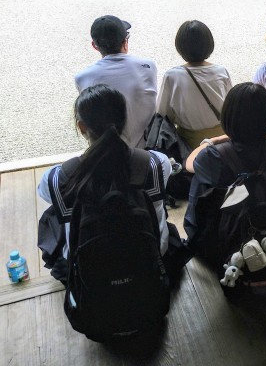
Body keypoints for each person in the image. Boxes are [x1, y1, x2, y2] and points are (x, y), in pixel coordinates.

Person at [37, 85, 179, 283]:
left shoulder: (57, 177)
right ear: (124, 120)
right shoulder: (156, 163)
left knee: (54, 213)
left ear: (81, 127)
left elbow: (44, 193)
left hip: (91, 274)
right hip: (150, 261)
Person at [183, 83, 266, 240]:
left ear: (227, 117)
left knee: (199, 181)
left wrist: (215, 140)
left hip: (230, 236)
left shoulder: (212, 156)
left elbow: (189, 164)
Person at [75, 15, 157, 148]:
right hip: (148, 148)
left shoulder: (82, 77)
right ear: (125, 41)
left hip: (108, 151)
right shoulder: (148, 67)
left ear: (95, 46)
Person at [157, 20, 232, 150]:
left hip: (189, 146)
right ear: (209, 44)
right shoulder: (221, 72)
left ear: (180, 47)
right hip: (221, 143)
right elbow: (231, 106)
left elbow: (162, 114)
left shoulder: (172, 76)